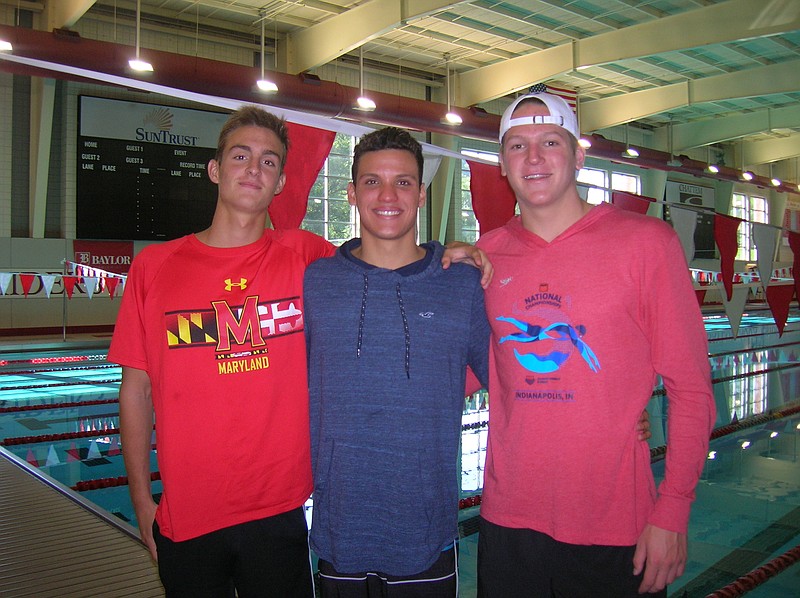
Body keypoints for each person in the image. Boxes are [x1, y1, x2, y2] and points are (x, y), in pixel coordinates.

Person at [109, 106, 489, 598]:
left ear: (282, 180)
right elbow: (135, 390)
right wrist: (142, 502)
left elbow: (384, 259)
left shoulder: (306, 257)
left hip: (280, 514)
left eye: (268, 161)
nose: (253, 169)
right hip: (188, 516)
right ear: (215, 169)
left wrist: (455, 252)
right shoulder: (154, 267)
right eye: (241, 156)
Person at [475, 90, 716, 597]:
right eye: (517, 146)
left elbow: (691, 389)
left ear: (579, 155)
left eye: (550, 142)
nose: (533, 158)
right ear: (503, 164)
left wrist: (673, 509)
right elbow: (462, 369)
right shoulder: (485, 256)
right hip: (509, 522)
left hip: (616, 527)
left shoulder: (647, 243)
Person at [303, 127, 491, 597]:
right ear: (350, 193)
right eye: (372, 182)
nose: (388, 196)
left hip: (424, 532)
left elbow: (514, 388)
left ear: (422, 195)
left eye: (403, 182)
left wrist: (608, 417)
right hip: (340, 528)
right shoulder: (317, 283)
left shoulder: (459, 285)